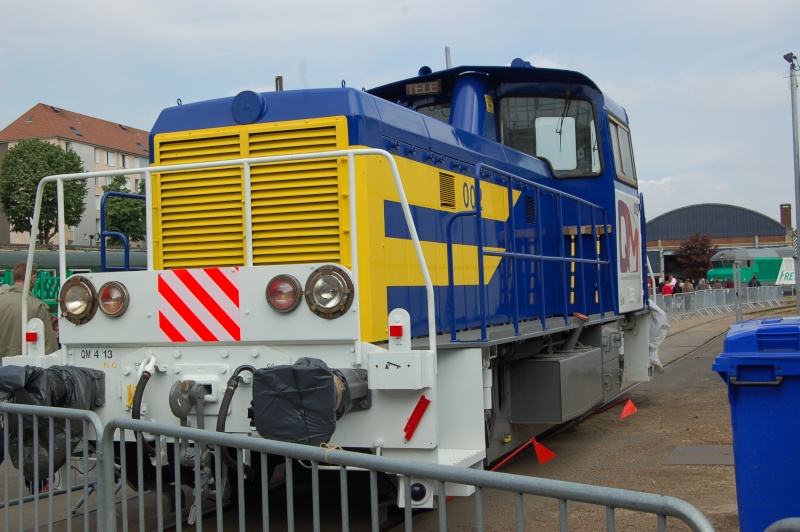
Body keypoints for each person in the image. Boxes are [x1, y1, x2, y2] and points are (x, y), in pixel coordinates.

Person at [0, 262, 59, 360]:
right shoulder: (37, 306)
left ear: (13, 277)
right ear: (32, 278)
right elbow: (50, 349)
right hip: (24, 370)